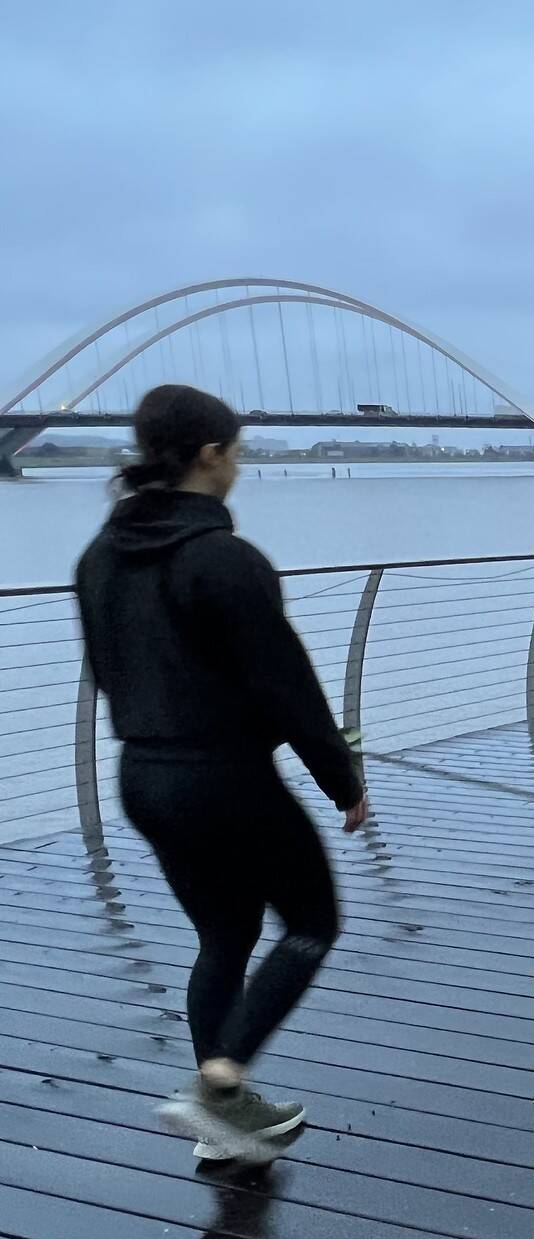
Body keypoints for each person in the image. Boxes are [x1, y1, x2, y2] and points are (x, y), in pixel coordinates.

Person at [74, 384, 368, 1162]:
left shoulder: (98, 558)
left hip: (143, 778)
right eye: (236, 454)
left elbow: (111, 675)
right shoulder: (225, 559)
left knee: (225, 933)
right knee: (310, 923)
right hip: (227, 781)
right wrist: (344, 781)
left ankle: (222, 1126)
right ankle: (219, 1081)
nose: (238, 469)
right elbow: (287, 686)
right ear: (210, 455)